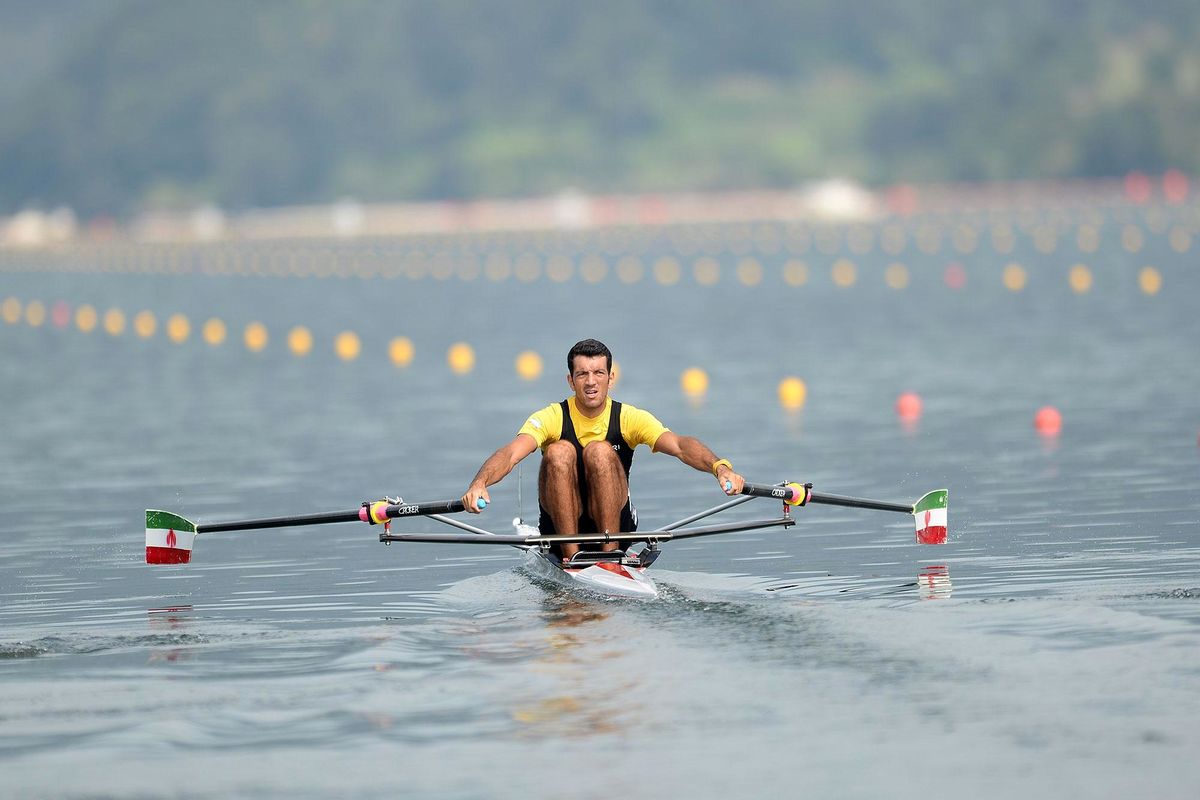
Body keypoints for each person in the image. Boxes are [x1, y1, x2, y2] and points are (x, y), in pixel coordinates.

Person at [460, 338, 745, 562]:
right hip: (558, 529)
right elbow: (510, 454)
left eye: (598, 372)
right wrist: (479, 483)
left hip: (616, 525)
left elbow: (681, 447)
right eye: (582, 374)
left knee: (599, 451)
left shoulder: (630, 417)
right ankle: (571, 555)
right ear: (571, 381)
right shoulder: (552, 416)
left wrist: (719, 467)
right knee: (559, 451)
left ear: (611, 377)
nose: (591, 381)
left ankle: (610, 556)